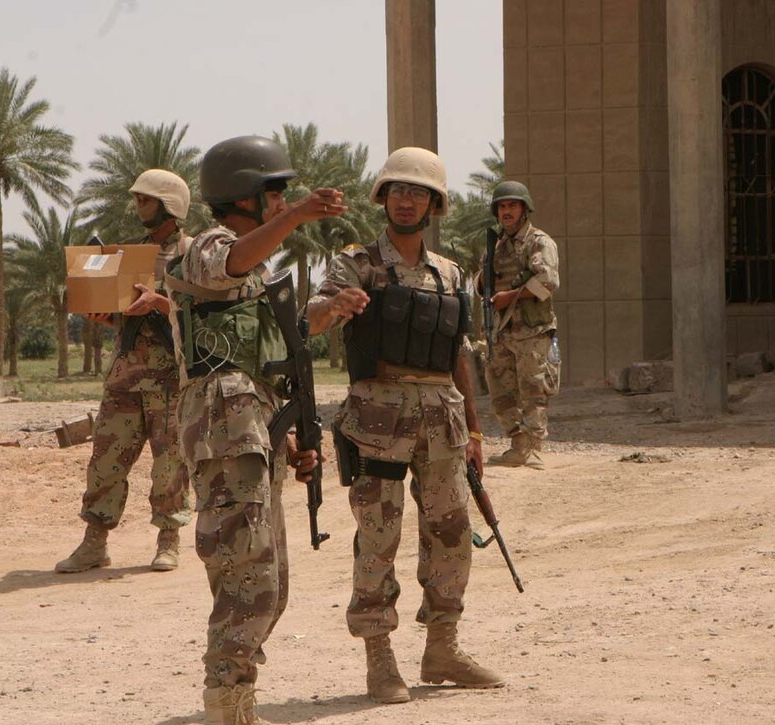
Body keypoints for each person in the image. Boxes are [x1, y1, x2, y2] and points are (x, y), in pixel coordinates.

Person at [306, 147, 504, 705]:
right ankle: (379, 657)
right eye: (398, 189)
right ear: (384, 198)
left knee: (451, 534)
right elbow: (312, 320)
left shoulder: (449, 273)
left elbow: (458, 355)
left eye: (418, 191)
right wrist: (335, 304)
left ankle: (443, 647)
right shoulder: (356, 264)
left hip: (442, 418)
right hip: (378, 417)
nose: (407, 198)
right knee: (378, 537)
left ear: (434, 204)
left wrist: (475, 430)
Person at [162, 135, 343, 725]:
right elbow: (228, 263)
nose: (283, 201)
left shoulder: (255, 272)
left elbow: (267, 350)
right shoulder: (206, 247)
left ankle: (237, 694)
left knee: (269, 575)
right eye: (276, 193)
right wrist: (298, 216)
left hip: (248, 423)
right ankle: (225, 700)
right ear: (245, 195)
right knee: (245, 566)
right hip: (222, 421)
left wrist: (288, 434)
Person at [56, 169, 194, 574]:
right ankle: (94, 544)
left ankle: (169, 540)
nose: (138, 208)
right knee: (105, 463)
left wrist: (160, 302)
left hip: (170, 380)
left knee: (169, 466)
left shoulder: (191, 255)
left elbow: (202, 312)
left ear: (169, 205)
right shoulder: (128, 257)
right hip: (124, 378)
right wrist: (105, 316)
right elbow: (121, 317)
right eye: (137, 200)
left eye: (145, 200)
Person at [475, 180, 560, 468]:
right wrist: (482, 282)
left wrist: (508, 296)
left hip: (532, 332)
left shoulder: (539, 242)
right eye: (502, 206)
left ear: (524, 210)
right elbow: (482, 286)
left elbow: (547, 282)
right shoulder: (496, 247)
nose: (506, 211)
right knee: (501, 393)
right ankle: (518, 444)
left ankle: (534, 448)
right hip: (501, 332)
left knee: (533, 391)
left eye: (512, 206)